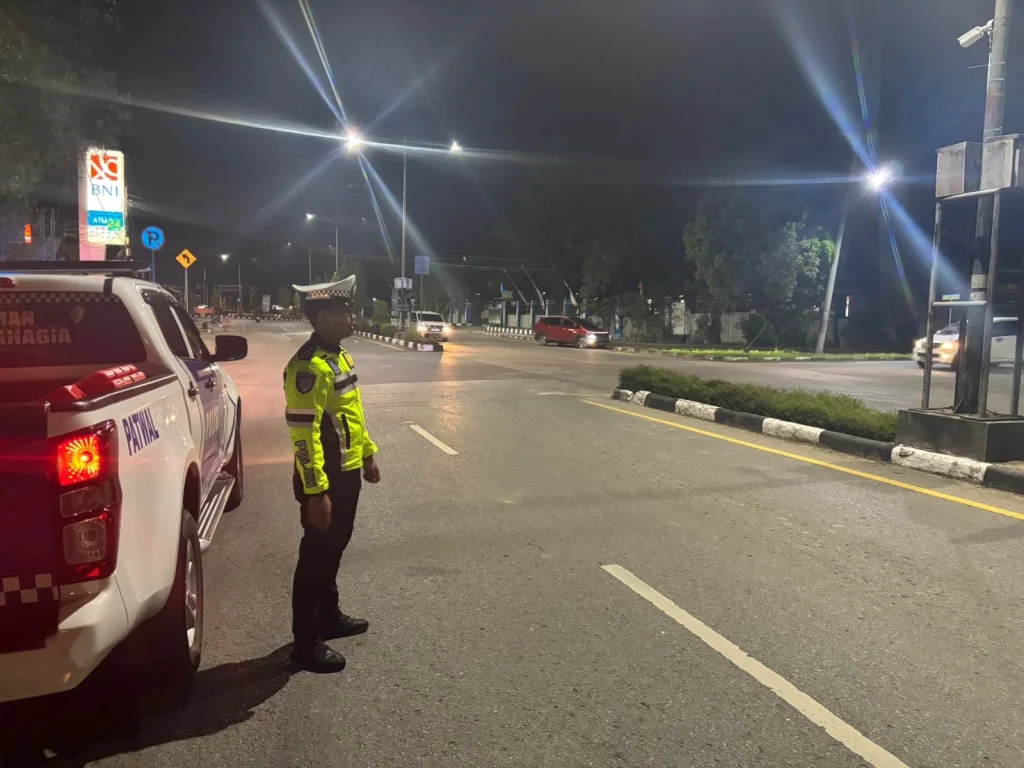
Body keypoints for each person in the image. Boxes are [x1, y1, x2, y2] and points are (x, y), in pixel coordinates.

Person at [283, 276, 381, 673]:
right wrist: (316, 492)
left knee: (333, 550)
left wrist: (368, 454)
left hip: (347, 471)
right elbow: (303, 435)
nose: (351, 316)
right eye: (343, 311)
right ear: (321, 317)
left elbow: (350, 415)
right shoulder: (308, 367)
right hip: (325, 479)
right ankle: (305, 644)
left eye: (350, 310)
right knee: (316, 558)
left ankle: (328, 615)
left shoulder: (338, 357)